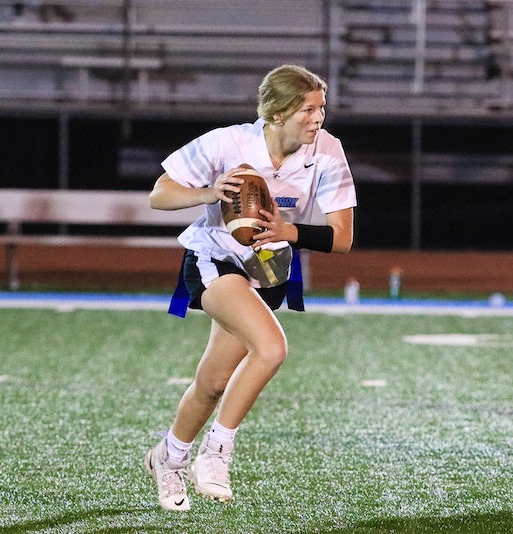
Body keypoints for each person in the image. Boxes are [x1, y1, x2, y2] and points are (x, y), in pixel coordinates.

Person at [144, 64, 357, 512]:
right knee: (272, 348)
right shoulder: (229, 142)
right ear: (278, 112)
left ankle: (169, 456)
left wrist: (289, 231)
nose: (319, 118)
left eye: (322, 108)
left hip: (271, 268)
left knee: (213, 382)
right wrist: (209, 192)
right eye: (309, 109)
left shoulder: (326, 150)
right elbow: (159, 194)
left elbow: (342, 238)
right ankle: (215, 453)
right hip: (215, 259)